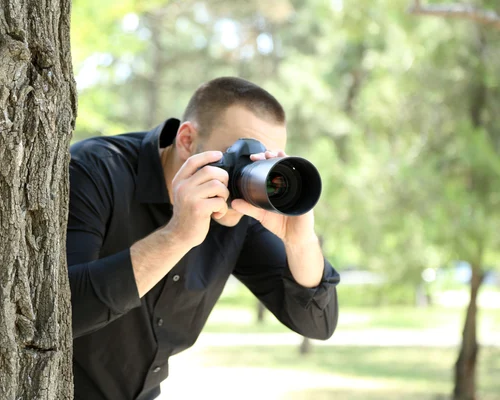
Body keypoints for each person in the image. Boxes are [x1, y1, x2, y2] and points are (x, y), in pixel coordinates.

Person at [67, 77, 340, 400]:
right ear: (186, 140)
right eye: (238, 154)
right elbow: (60, 311)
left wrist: (301, 242)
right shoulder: (95, 170)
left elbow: (317, 323)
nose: (248, 176)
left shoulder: (239, 210)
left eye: (263, 162)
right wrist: (177, 235)